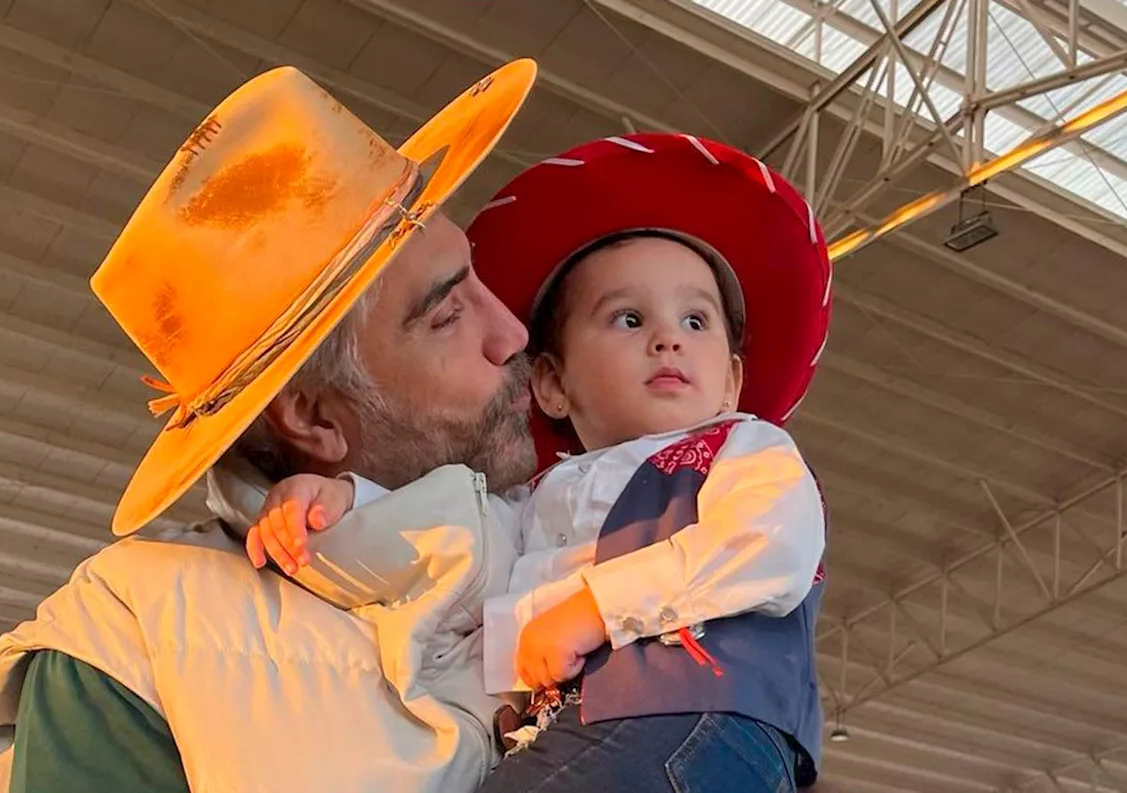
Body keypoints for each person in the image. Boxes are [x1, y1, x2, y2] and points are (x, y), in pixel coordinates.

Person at [0, 60, 544, 793]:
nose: (513, 333)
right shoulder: (126, 634)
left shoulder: (598, 520)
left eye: (478, 280)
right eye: (448, 313)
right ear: (312, 416)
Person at [249, 132, 833, 791]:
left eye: (696, 322)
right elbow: (456, 538)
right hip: (584, 729)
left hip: (692, 714)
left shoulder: (747, 450)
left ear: (731, 380)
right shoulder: (541, 501)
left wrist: (596, 606)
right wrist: (344, 504)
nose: (668, 336)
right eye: (629, 318)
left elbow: (771, 549)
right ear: (551, 382)